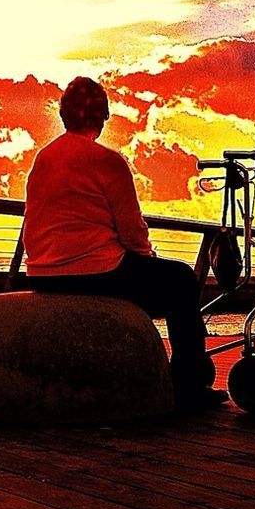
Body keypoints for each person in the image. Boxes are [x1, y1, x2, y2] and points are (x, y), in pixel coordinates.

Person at [23, 76, 228, 412]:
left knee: (164, 278)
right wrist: (148, 257)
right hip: (97, 273)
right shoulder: (107, 161)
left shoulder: (43, 159)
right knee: (180, 280)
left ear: (64, 116)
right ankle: (188, 385)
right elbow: (132, 232)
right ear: (102, 118)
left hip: (43, 273)